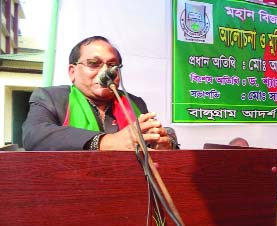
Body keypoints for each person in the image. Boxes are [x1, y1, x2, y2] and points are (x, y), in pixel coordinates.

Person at [23, 36, 176, 151]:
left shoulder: (134, 103)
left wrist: (164, 145)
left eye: (112, 65)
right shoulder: (51, 98)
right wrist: (107, 142)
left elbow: (149, 144)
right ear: (72, 72)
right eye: (93, 64)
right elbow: (34, 135)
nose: (105, 72)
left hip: (129, 187)